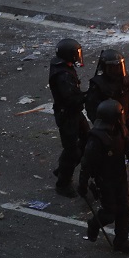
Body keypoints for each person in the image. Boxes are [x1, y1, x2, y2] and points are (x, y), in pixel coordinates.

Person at [84, 49, 129, 198]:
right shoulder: (98, 85)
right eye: (113, 67)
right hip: (109, 128)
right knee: (108, 161)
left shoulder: (125, 80)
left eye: (119, 66)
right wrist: (102, 127)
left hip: (126, 124)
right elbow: (92, 109)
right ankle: (102, 186)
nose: (117, 70)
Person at [77, 100, 129, 254]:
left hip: (120, 177)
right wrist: (82, 184)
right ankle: (94, 224)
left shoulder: (120, 130)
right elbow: (87, 163)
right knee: (110, 213)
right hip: (105, 181)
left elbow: (128, 145)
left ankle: (121, 241)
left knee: (124, 210)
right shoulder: (97, 139)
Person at [48, 38, 89, 197]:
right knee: (72, 151)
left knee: (87, 139)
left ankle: (62, 169)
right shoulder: (63, 76)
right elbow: (72, 99)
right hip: (68, 116)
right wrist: (88, 96)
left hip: (73, 113)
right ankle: (63, 183)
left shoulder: (63, 67)